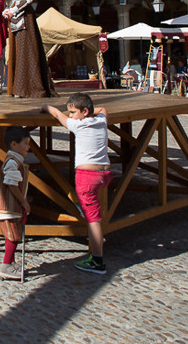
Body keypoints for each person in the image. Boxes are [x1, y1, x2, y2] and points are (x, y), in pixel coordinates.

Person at [42, 93, 110, 274]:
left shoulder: (77, 125)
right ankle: (82, 208)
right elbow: (103, 109)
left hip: (87, 176)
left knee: (93, 220)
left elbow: (57, 114)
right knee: (93, 209)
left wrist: (46, 107)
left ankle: (97, 261)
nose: (70, 115)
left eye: (72, 112)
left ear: (84, 112)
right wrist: (89, 111)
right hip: (104, 174)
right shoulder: (101, 121)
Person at [3, 0, 54, 98]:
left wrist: (14, 10)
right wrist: (6, 9)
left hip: (25, 18)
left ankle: (30, 88)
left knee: (26, 51)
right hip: (14, 19)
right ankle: (18, 88)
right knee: (16, 52)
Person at [0, 127, 31, 280]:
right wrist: (24, 202)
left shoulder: (15, 161)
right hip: (7, 207)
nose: (28, 147)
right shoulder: (12, 162)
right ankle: (6, 265)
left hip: (11, 208)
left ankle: (11, 263)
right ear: (14, 144)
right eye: (25, 143)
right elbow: (12, 184)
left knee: (13, 235)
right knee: (13, 236)